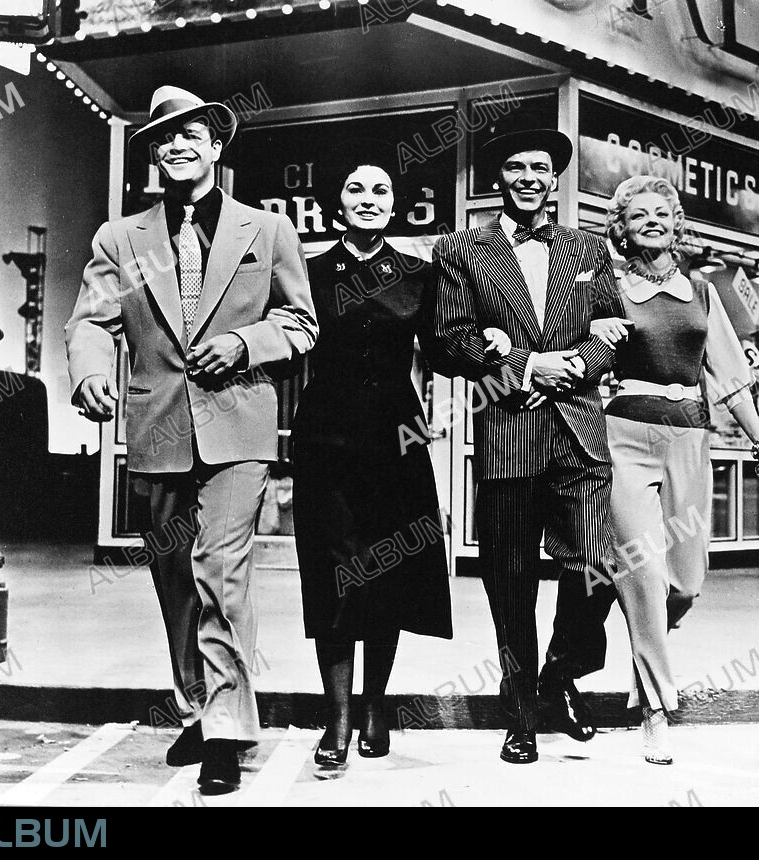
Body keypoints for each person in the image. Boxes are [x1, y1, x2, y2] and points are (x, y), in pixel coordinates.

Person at [65, 86, 318, 794]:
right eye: (163, 139)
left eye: (190, 136)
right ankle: (199, 703)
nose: (177, 147)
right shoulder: (121, 238)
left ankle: (227, 732)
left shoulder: (265, 232)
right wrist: (87, 371)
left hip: (239, 425)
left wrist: (244, 343)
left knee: (219, 571)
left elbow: (302, 324)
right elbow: (90, 321)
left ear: (215, 145)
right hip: (158, 428)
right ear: (154, 154)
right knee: (175, 581)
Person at [433, 122, 621, 764]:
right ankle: (520, 713)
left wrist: (571, 365)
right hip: (509, 433)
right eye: (516, 168)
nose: (529, 179)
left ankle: (560, 675)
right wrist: (522, 371)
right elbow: (449, 343)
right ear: (498, 177)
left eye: (540, 168)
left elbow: (614, 330)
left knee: (594, 567)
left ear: (555, 177)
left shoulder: (585, 249)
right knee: (509, 582)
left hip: (579, 438)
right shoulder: (462, 248)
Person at [594, 175, 759, 765]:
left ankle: (643, 656)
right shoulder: (605, 288)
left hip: (690, 438)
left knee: (685, 580)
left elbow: (729, 376)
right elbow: (576, 352)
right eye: (637, 214)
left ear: (677, 225)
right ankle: (656, 708)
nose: (651, 220)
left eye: (662, 213)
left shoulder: (703, 291)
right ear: (621, 228)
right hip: (624, 435)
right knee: (644, 570)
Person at [292, 156, 452, 767]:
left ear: (394, 205)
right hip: (326, 437)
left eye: (379, 190)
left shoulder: (418, 275)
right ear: (338, 205)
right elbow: (280, 339)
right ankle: (335, 718)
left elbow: (443, 348)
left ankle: (374, 707)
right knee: (332, 570)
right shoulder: (308, 273)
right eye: (354, 188)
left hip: (397, 438)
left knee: (388, 570)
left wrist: (500, 349)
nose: (367, 197)